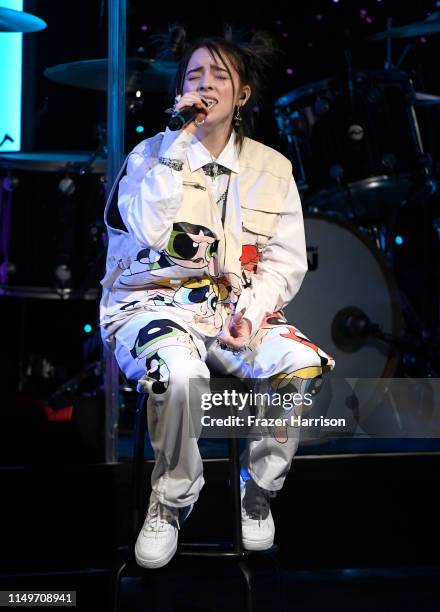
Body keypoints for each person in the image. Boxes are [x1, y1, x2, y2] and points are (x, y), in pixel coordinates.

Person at [100, 26, 335, 569]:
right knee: (179, 376)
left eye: (218, 76)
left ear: (243, 94)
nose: (204, 86)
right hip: (151, 304)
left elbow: (284, 262)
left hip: (236, 310)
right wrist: (177, 142)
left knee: (299, 366)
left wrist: (251, 318)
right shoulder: (149, 156)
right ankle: (171, 499)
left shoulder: (273, 170)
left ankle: (257, 488)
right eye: (193, 76)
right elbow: (152, 226)